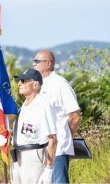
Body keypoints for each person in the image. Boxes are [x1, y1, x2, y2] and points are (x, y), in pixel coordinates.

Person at [0, 68, 57, 183]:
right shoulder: (23, 107)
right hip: (18, 156)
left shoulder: (43, 106)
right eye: (20, 80)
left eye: (24, 81)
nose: (19, 83)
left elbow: (53, 140)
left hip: (34, 157)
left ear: (35, 84)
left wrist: (49, 169)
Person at [33, 50, 81, 183]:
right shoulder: (37, 85)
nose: (33, 64)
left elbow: (75, 116)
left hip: (58, 149)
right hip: (41, 148)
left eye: (37, 61)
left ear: (48, 63)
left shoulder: (60, 84)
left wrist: (65, 137)